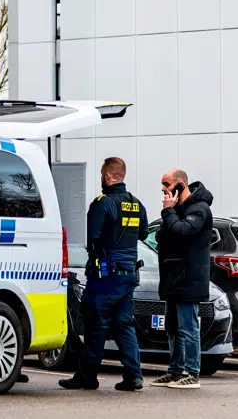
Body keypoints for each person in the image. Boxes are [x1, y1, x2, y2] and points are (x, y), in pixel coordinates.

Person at [60, 157, 148, 392]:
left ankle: (87, 376)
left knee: (96, 324)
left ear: (108, 176)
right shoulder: (137, 204)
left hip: (106, 276)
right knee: (124, 324)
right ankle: (134, 376)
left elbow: (91, 236)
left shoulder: (104, 202)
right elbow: (143, 234)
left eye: (102, 175)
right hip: (129, 275)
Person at [153, 170, 214, 389]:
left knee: (188, 326)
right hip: (172, 276)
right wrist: (170, 215)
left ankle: (192, 372)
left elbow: (182, 231)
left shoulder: (199, 209)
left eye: (166, 184)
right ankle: (175, 370)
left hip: (189, 276)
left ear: (180, 185)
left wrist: (169, 213)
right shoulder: (176, 210)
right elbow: (161, 235)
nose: (163, 189)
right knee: (173, 326)